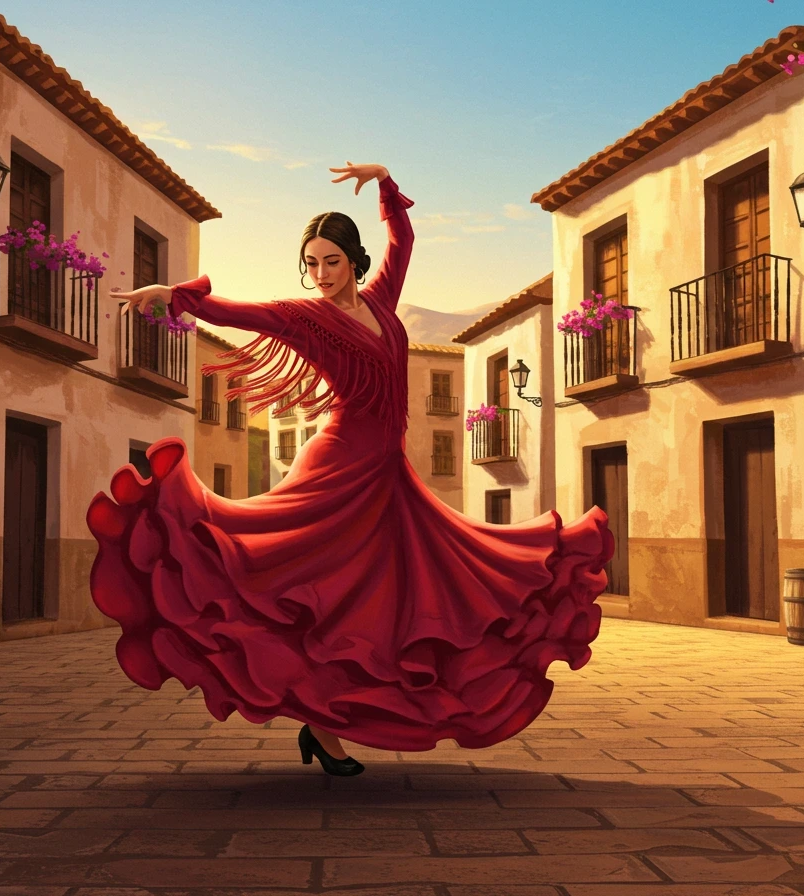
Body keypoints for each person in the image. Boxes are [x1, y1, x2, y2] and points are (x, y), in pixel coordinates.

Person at [92, 162, 614, 777]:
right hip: (338, 465)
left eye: (331, 261)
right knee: (297, 583)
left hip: (387, 472)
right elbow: (241, 313)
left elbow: (405, 241)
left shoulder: (383, 303)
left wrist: (388, 184)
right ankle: (321, 723)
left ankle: (326, 725)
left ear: (354, 262)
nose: (319, 274)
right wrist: (173, 296)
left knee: (381, 599)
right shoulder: (308, 317)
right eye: (311, 263)